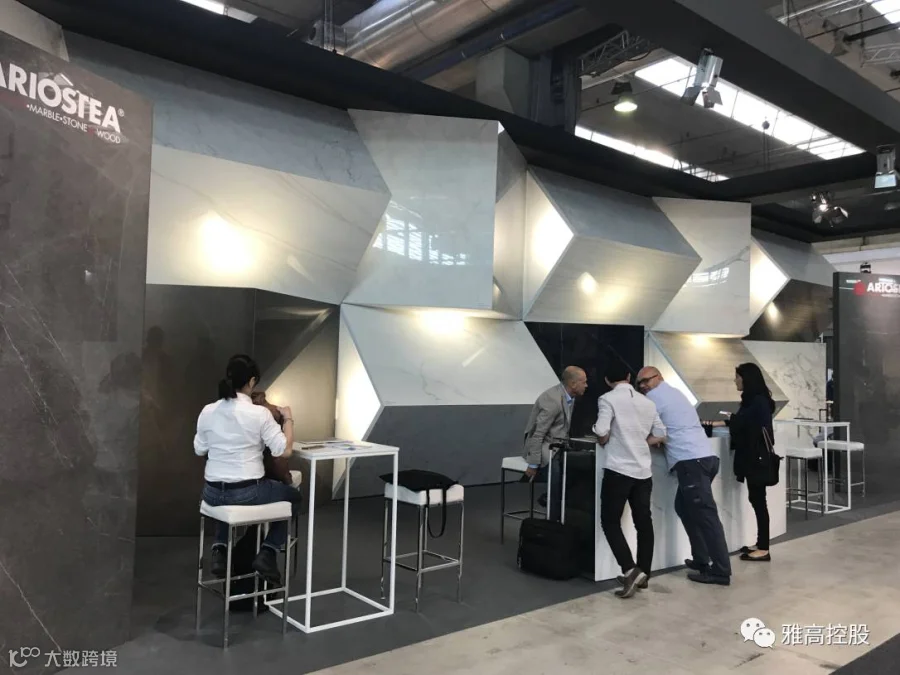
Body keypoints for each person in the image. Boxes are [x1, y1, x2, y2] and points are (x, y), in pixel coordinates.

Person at [194, 354, 303, 584]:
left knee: (226, 491)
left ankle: (220, 549)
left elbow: (199, 449)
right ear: (252, 381)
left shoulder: (207, 411)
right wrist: (288, 419)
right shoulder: (259, 414)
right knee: (294, 497)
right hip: (248, 492)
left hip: (211, 493)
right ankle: (268, 552)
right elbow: (284, 450)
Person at [637, 367, 731, 586]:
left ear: (659, 377)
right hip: (704, 459)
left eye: (646, 380)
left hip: (691, 462)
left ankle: (720, 571)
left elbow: (645, 429)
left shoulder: (654, 398)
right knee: (684, 507)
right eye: (639, 382)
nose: (643, 386)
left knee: (707, 517)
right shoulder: (675, 393)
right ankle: (701, 559)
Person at [593, 362, 666, 598]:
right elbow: (661, 433)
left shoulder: (607, 399)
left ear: (607, 380)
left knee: (609, 521)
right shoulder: (648, 402)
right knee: (643, 522)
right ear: (628, 376)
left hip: (618, 470)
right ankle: (644, 573)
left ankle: (630, 570)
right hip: (643, 471)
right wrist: (641, 443)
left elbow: (601, 430)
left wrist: (603, 439)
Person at [707, 362, 775, 562]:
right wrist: (724, 421)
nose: (735, 380)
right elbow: (743, 421)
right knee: (757, 500)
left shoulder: (758, 401)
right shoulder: (755, 400)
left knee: (759, 501)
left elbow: (746, 425)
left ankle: (764, 548)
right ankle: (761, 543)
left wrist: (730, 421)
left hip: (757, 459)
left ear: (747, 379)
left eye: (737, 377)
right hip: (755, 458)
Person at [523, 366, 588, 521]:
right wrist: (533, 464)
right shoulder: (552, 400)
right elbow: (537, 434)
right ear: (573, 384)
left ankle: (561, 510)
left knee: (582, 467)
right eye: (584, 382)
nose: (586, 385)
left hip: (559, 446)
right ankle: (553, 521)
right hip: (544, 447)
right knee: (556, 476)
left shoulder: (569, 397)